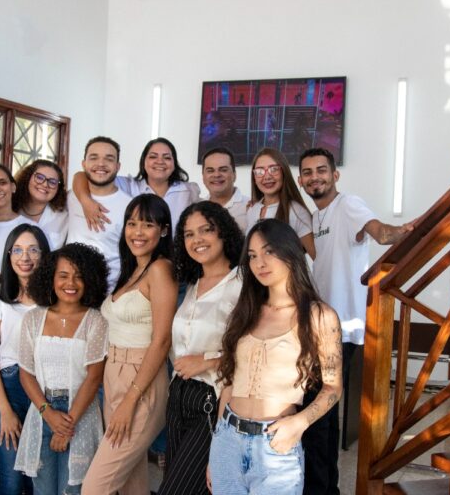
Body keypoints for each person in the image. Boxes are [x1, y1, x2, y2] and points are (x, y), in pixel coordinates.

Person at [297, 147, 413, 495]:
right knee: (325, 414)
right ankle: (326, 488)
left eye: (321, 170)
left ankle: (318, 489)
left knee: (316, 414)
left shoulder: (348, 205)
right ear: (301, 181)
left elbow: (381, 233)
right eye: (307, 172)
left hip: (342, 327)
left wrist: (408, 229)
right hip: (320, 325)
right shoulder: (316, 217)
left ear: (335, 175)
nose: (315, 177)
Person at [209, 219, 342, 495]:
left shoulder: (319, 316)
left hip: (275, 443)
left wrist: (299, 423)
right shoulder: (246, 310)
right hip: (228, 440)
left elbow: (333, 388)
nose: (260, 263)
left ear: (290, 251)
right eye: (252, 256)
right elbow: (230, 383)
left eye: (269, 251)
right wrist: (216, 445)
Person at [82, 194, 177, 495]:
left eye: (147, 224)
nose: (137, 232)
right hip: (114, 374)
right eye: (132, 223)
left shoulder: (160, 269)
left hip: (141, 379)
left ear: (163, 230)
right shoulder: (132, 271)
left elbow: (161, 341)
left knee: (94, 488)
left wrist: (130, 400)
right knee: (131, 485)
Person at [158, 201, 244, 495]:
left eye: (206, 230)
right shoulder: (192, 284)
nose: (197, 240)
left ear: (223, 233)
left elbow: (257, 349)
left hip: (211, 399)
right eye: (189, 234)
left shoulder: (242, 284)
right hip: (178, 398)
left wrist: (208, 361)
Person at [14, 243, 109, 494]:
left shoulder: (96, 320)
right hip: (41, 410)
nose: (71, 283)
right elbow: (26, 373)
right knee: (43, 490)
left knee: (73, 490)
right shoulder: (33, 318)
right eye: (63, 275)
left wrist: (67, 426)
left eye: (79, 276)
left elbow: (94, 377)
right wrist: (48, 413)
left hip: (81, 414)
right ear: (51, 278)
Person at [0, 224, 50, 495]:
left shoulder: (54, 296)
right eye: (18, 250)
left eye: (33, 250)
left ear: (44, 254)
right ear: (9, 255)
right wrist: (5, 411)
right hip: (9, 387)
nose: (25, 257)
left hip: (45, 388)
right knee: (11, 478)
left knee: (38, 475)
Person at [73, 136, 200, 234]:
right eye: (153, 157)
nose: (160, 161)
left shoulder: (188, 191)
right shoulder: (130, 186)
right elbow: (82, 175)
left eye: (167, 157)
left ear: (174, 163)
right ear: (144, 162)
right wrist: (85, 200)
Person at [67, 135, 131, 291]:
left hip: (108, 293)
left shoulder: (130, 206)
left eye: (109, 159)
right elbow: (78, 176)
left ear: (118, 166)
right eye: (94, 158)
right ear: (84, 164)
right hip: (69, 289)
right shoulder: (71, 197)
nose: (101, 164)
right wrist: (85, 200)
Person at [245, 147, 315, 258]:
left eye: (274, 169)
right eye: (260, 171)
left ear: (284, 172)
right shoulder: (252, 209)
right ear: (254, 178)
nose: (267, 176)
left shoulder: (297, 211)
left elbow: (318, 259)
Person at [15, 160, 68, 250]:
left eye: (52, 182)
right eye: (39, 177)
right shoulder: (11, 208)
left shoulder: (65, 213)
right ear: (28, 177)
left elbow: (80, 177)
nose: (45, 184)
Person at [201, 147, 250, 231]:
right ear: (203, 177)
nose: (216, 175)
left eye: (223, 170)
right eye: (210, 171)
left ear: (234, 175)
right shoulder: (197, 209)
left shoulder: (250, 207)